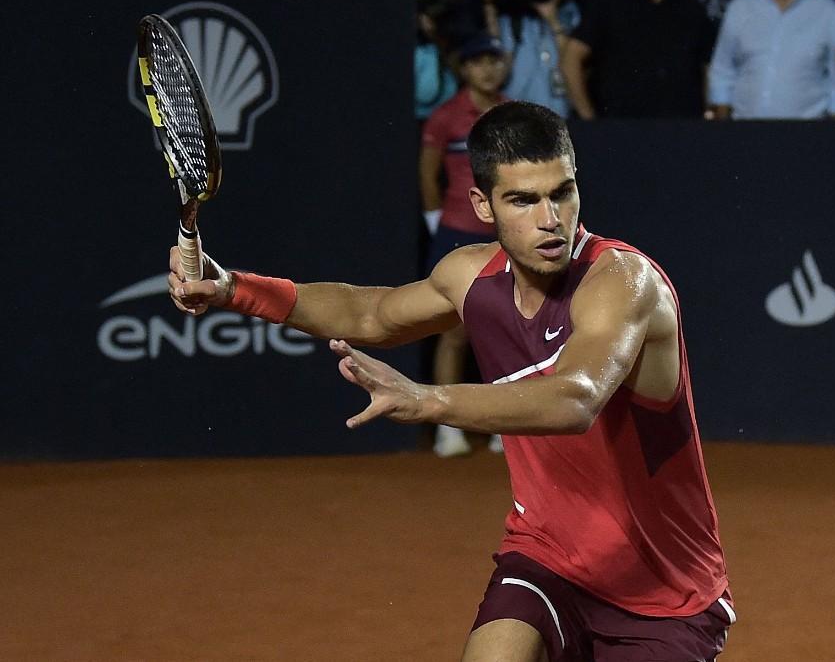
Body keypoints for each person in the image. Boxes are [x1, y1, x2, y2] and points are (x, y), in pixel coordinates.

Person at [166, 101, 734, 661]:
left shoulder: (623, 281)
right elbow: (371, 314)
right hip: (548, 556)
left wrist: (428, 400)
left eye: (562, 192)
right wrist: (232, 288)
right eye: (523, 200)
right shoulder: (470, 276)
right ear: (481, 205)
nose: (550, 218)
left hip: (664, 594)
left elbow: (574, 398)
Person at [419, 32, 509, 456]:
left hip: (506, 237)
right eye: (479, 61)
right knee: (453, 333)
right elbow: (427, 174)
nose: (488, 69)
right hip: (456, 235)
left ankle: (505, 428)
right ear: (465, 69)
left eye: (495, 60)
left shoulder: (514, 115)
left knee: (509, 333)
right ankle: (447, 428)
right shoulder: (445, 117)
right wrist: (440, 224)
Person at [562, 0, 717, 119]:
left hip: (683, 127)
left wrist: (709, 115)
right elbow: (571, 60)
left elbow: (709, 67)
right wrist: (589, 119)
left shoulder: (690, 6)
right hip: (621, 129)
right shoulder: (609, 3)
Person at [707, 0, 835, 120]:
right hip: (744, 125)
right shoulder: (742, 5)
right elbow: (722, 69)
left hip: (806, 130)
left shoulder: (826, 10)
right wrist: (722, 124)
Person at [482, 0, 580, 117]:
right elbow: (500, 68)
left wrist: (553, 21)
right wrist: (490, 5)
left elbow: (573, 62)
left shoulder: (570, 14)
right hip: (520, 117)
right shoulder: (511, 21)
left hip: (561, 116)